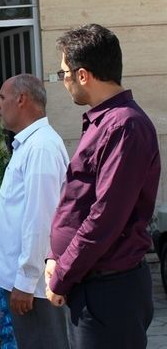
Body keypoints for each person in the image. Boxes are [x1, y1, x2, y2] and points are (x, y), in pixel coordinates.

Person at [46, 24, 161, 348]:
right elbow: (77, 203)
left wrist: (62, 274)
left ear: (83, 75)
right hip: (91, 284)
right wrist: (54, 258)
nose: (63, 80)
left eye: (64, 72)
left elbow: (105, 216)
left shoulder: (125, 126)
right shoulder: (105, 121)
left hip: (109, 291)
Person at [0, 74, 70, 348]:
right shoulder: (30, 143)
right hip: (21, 283)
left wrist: (26, 281)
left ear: (21, 99)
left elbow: (41, 220)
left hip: (33, 290)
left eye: (1, 97)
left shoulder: (42, 146)